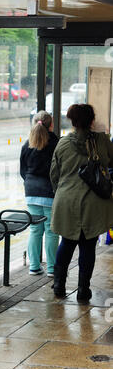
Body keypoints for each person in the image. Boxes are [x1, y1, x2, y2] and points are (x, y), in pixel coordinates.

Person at [50, 104, 113, 301]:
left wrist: (61, 192)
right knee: (88, 246)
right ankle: (83, 290)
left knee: (67, 242)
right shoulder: (102, 141)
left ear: (72, 121)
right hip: (94, 202)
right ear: (92, 120)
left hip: (66, 201)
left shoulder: (63, 144)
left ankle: (59, 285)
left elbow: (54, 174)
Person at [20, 111, 59, 277]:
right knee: (51, 230)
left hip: (31, 192)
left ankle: (34, 266)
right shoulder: (57, 143)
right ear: (51, 125)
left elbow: (23, 171)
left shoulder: (28, 144)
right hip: (50, 193)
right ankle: (52, 268)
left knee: (35, 230)